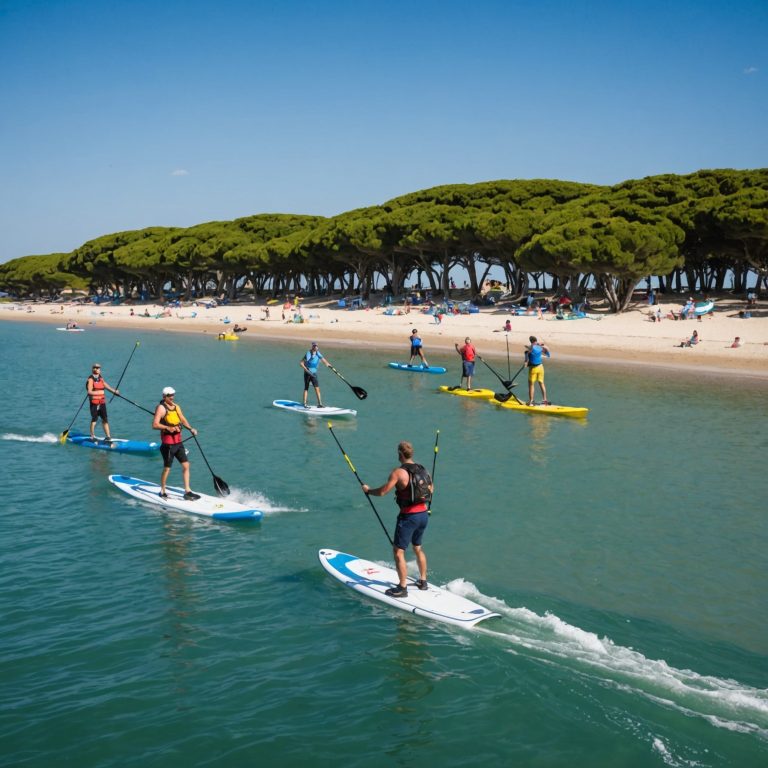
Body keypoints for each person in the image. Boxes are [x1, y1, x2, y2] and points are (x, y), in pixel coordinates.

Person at [362, 441, 433, 598]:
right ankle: (423, 581)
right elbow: (431, 489)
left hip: (409, 517)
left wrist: (368, 491)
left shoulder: (398, 473)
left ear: (400, 454)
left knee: (398, 551)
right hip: (423, 515)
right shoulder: (423, 469)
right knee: (417, 547)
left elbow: (382, 492)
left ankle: (402, 588)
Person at [152, 386, 199, 500]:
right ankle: (162, 490)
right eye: (169, 395)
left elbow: (182, 419)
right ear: (164, 396)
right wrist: (168, 428)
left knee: (186, 465)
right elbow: (155, 425)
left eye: (173, 395)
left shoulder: (176, 407)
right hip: (168, 445)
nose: (172, 397)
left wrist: (191, 429)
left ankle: (187, 491)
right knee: (167, 468)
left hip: (178, 442)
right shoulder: (161, 408)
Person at [86, 363, 119, 441]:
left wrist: (114, 391)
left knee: (105, 419)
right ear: (92, 369)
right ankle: (92, 436)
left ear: (100, 370)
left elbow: (106, 386)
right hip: (94, 402)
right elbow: (89, 392)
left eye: (98, 368)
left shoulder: (101, 378)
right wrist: (99, 393)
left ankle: (108, 436)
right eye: (95, 367)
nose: (96, 369)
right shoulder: (90, 379)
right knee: (94, 419)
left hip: (102, 402)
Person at [300, 341, 331, 408]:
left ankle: (320, 404)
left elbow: (323, 359)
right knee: (306, 388)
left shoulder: (318, 353)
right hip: (307, 373)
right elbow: (301, 363)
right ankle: (304, 404)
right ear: (312, 346)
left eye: (316, 346)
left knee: (317, 388)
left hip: (314, 373)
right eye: (314, 346)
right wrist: (305, 369)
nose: (316, 347)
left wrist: (327, 364)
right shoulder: (308, 354)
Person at [524, 336, 551, 406]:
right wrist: (540, 345)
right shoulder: (540, 348)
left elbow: (527, 349)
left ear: (530, 341)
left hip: (533, 369)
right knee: (541, 383)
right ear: (536, 340)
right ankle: (544, 400)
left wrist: (526, 363)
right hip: (541, 367)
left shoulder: (531, 348)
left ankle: (531, 402)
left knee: (531, 385)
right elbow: (548, 353)